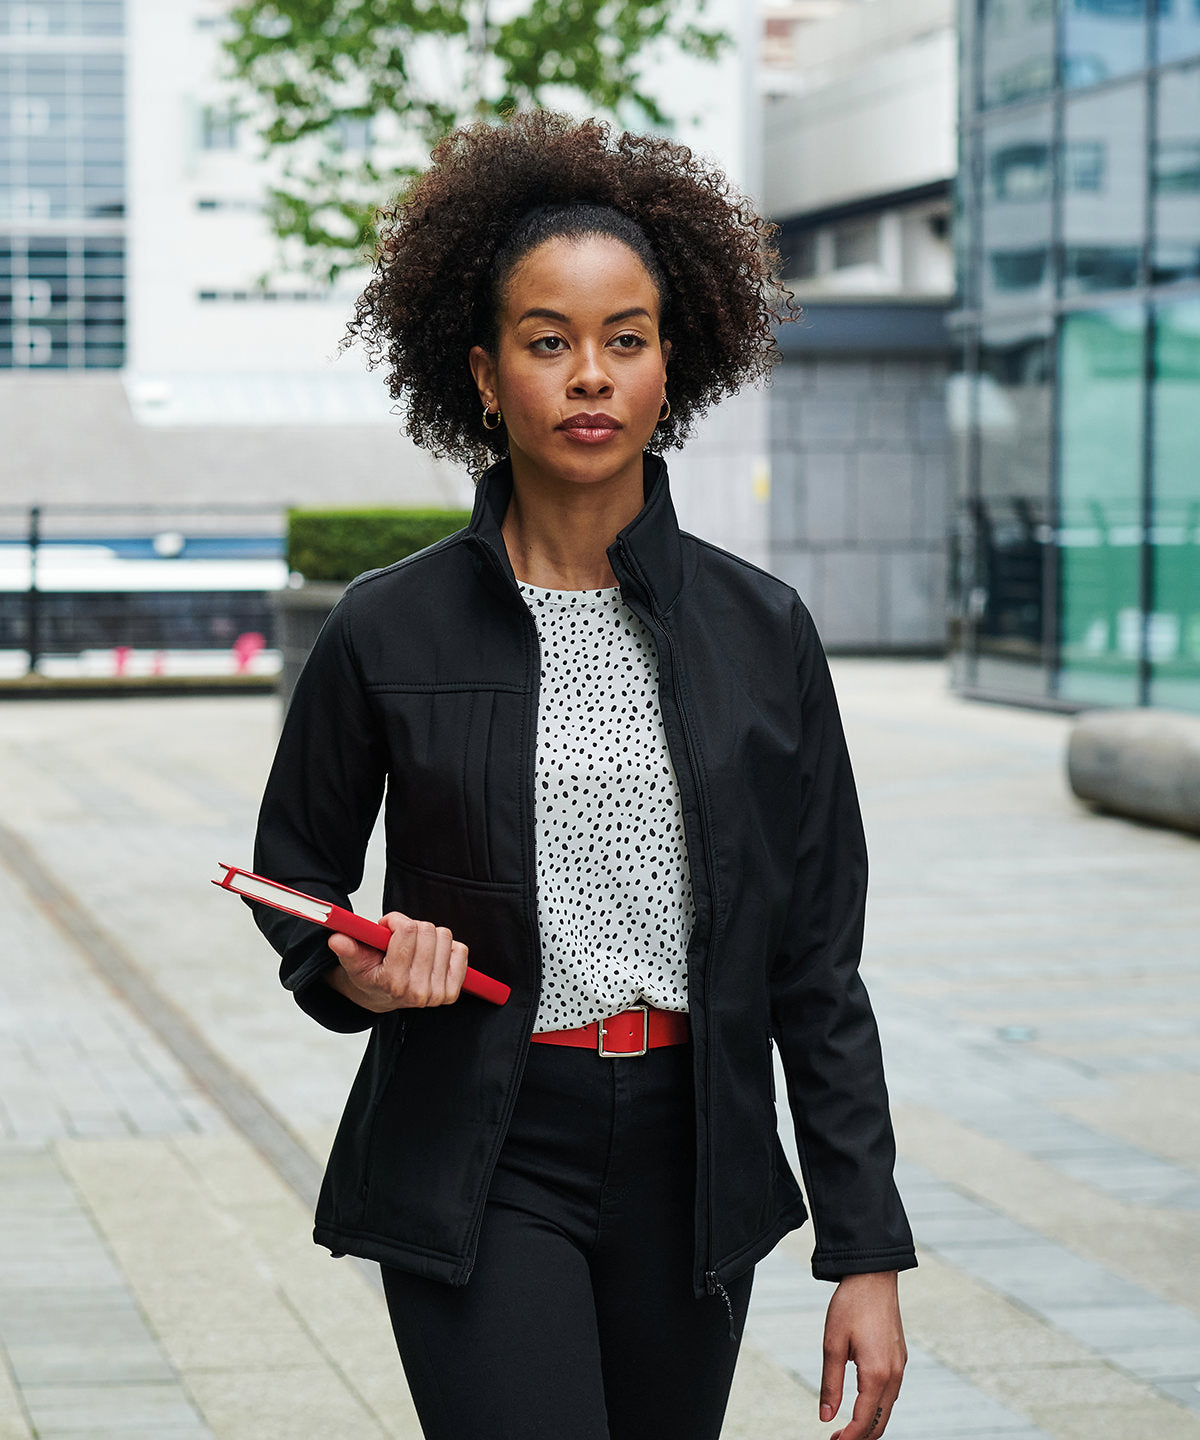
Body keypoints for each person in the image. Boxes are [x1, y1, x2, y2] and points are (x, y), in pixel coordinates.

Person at [251, 110, 915, 1440]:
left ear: (677, 361)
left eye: (627, 339)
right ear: (487, 373)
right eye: (549, 341)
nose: (591, 375)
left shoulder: (763, 631)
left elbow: (816, 966)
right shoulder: (390, 626)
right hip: (484, 1150)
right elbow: (291, 880)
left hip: (694, 1162)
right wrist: (355, 968)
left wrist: (866, 1250)